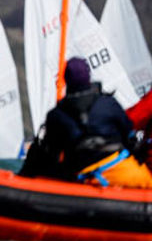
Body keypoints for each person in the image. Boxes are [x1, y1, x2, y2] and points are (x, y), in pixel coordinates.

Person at [23, 57, 152, 188]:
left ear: (65, 79)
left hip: (81, 177)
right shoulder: (108, 104)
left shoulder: (55, 115)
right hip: (122, 170)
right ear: (89, 76)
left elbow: (51, 151)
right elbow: (129, 132)